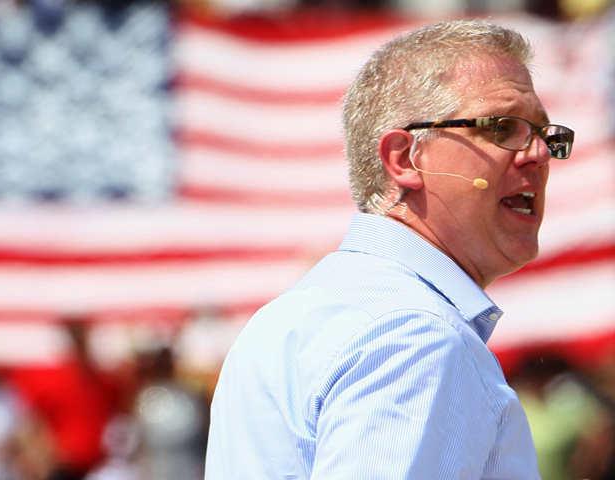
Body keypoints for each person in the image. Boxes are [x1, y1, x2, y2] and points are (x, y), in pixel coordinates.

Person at [205, 19, 575, 479]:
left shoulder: (294, 316)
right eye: (503, 128)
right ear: (404, 158)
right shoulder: (415, 335)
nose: (538, 154)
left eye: (545, 135)